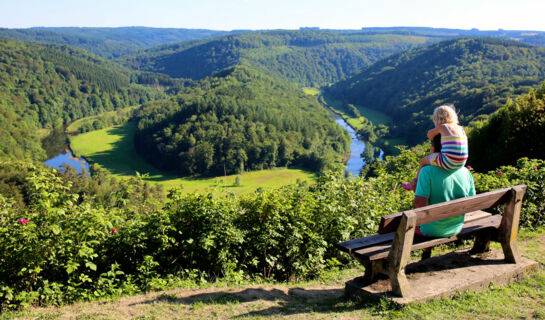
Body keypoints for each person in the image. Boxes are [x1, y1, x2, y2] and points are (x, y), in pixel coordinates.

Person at [403, 104, 468, 191]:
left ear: (437, 118)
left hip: (448, 161)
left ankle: (414, 183)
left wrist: (436, 130)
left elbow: (429, 134)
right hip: (462, 162)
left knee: (423, 161)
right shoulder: (461, 128)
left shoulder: (443, 127)